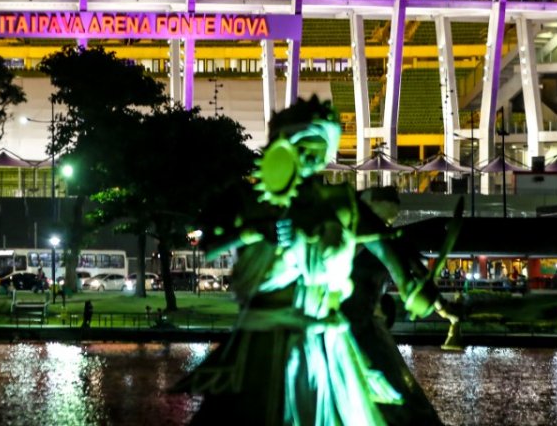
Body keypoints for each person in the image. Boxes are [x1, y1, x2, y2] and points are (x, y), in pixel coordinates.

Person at [180, 97, 459, 426]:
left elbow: (387, 244)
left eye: (319, 149)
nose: (311, 158)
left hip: (328, 339)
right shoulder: (251, 201)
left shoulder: (343, 203)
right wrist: (254, 232)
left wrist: (416, 289)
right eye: (302, 148)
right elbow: (208, 244)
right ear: (284, 147)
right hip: (266, 336)